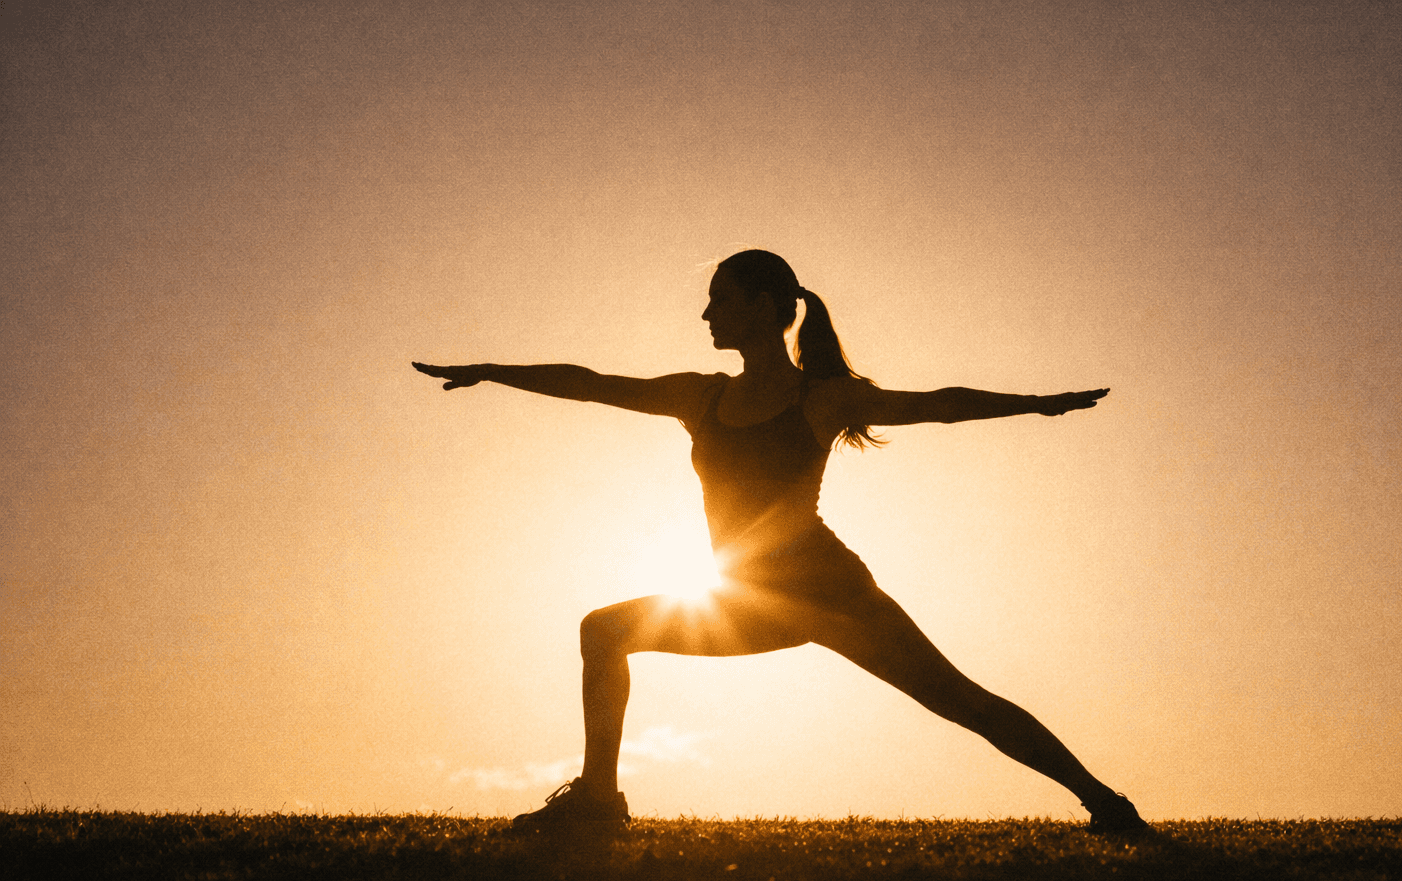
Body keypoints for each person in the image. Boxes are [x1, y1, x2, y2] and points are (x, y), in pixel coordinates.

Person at [413, 249, 1146, 833]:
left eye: (721, 297)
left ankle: (1103, 801)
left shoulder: (821, 397)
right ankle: (599, 800)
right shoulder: (699, 395)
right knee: (604, 632)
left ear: (764, 308)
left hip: (827, 590)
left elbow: (941, 406)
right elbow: (591, 382)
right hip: (743, 598)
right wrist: (490, 372)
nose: (706, 312)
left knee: (960, 701)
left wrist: (1035, 404)